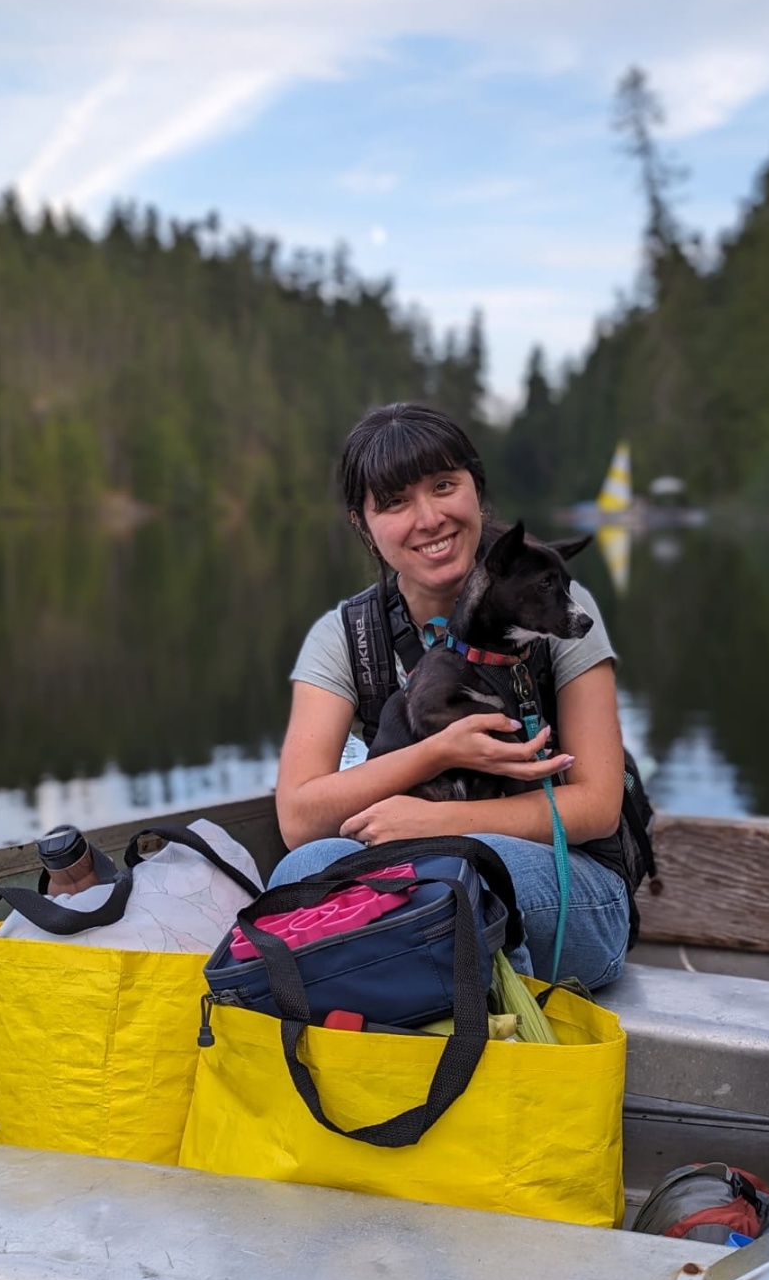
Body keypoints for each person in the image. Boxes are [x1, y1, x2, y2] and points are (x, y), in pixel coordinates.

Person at [270, 402, 633, 990]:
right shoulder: (345, 637)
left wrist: (435, 825)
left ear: (476, 492)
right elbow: (299, 819)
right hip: (418, 881)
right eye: (394, 503)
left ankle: (494, 1056)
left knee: (463, 873)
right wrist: (438, 752)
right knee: (301, 871)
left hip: (571, 890)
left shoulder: (556, 609)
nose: (429, 517)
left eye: (444, 486)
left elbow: (596, 808)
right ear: (363, 524)